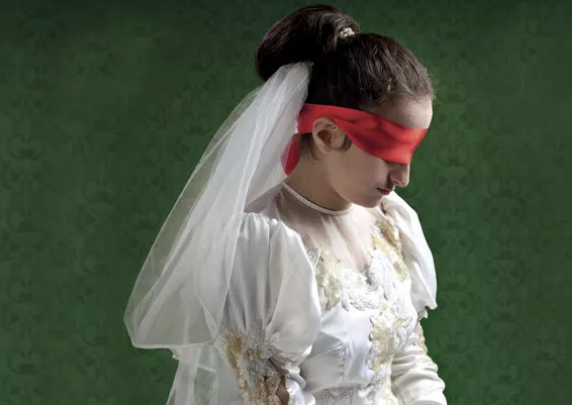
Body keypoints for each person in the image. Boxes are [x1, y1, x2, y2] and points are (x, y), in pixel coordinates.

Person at [124, 5, 448, 405]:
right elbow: (276, 397)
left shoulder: (391, 222)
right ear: (327, 134)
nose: (404, 177)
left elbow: (409, 363)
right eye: (390, 154)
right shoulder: (260, 248)